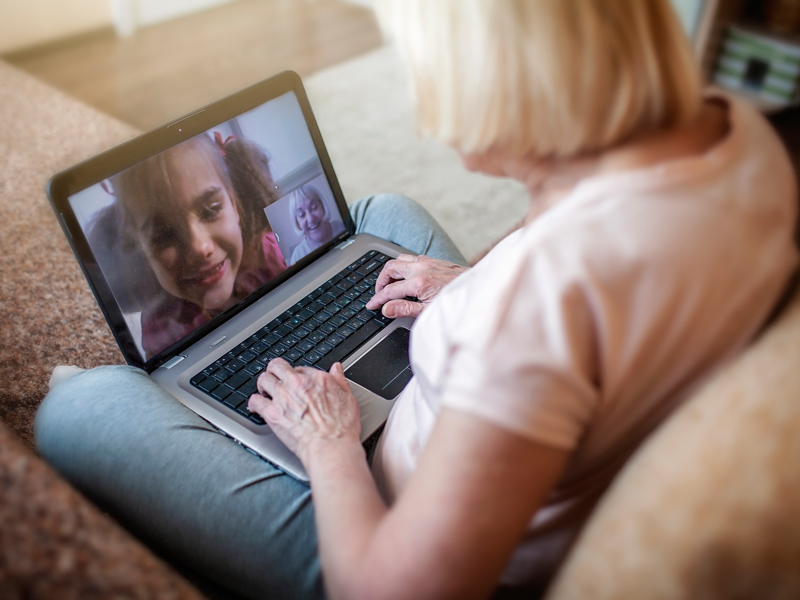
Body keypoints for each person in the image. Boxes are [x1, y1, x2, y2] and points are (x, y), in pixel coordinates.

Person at [35, 1, 799, 599]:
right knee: (380, 215)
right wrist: (471, 285)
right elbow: (563, 230)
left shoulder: (535, 313)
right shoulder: (743, 134)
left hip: (388, 517)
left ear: (506, 69)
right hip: (492, 412)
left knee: (79, 408)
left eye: (428, 64)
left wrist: (330, 443)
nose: (426, 104)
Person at [98, 132, 288, 358]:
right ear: (142, 249)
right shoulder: (159, 329)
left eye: (210, 210)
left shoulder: (276, 255)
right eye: (164, 234)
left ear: (234, 205)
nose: (199, 248)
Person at [288, 183, 342, 265]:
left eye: (314, 207)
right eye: (301, 215)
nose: (310, 219)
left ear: (323, 207)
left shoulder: (342, 226)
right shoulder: (297, 256)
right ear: (297, 223)